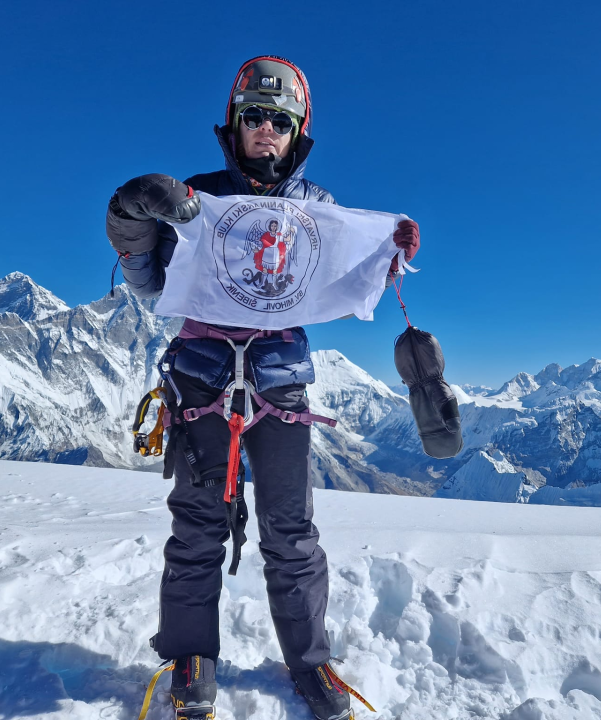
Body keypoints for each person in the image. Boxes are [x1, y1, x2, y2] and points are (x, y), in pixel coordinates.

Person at [105, 56, 420, 720]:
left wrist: (388, 250)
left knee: (291, 529)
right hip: (201, 378)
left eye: (280, 120)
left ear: (298, 130)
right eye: (255, 116)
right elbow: (151, 282)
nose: (266, 130)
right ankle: (192, 655)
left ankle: (309, 662)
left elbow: (345, 272)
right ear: (235, 123)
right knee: (196, 524)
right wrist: (135, 224)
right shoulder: (196, 199)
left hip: (279, 385)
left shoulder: (320, 212)